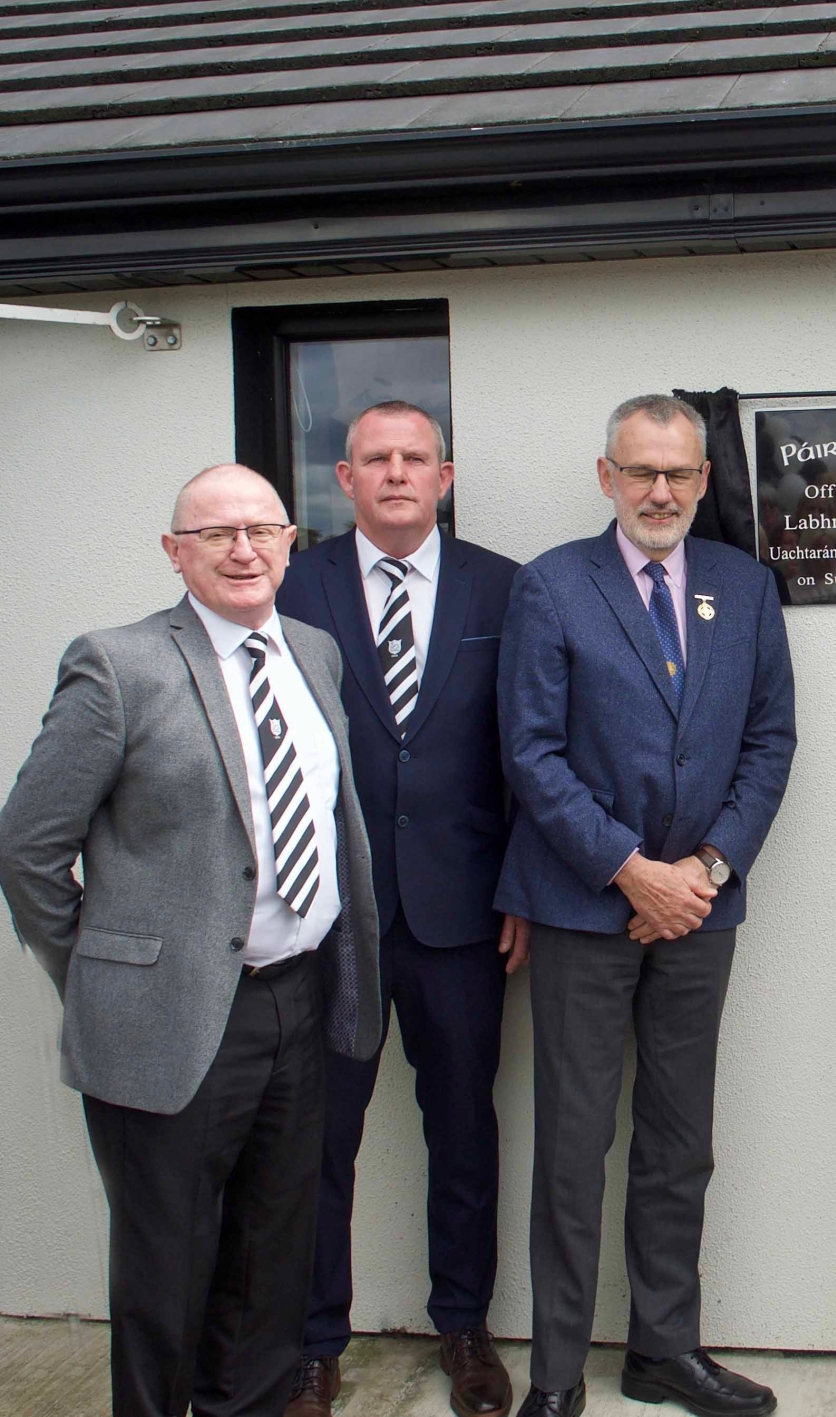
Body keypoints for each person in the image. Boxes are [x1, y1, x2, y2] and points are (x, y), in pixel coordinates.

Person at [0, 464, 382, 1417]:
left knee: (270, 1264)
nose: (243, 549)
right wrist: (104, 969)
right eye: (216, 533)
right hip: (171, 1020)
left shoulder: (315, 653)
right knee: (168, 1276)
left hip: (298, 1002)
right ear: (175, 551)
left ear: (293, 541)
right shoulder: (117, 664)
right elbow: (29, 847)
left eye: (262, 529)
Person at [496, 394, 797, 1417]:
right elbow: (530, 753)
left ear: (705, 480)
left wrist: (705, 870)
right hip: (588, 911)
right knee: (573, 1150)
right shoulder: (552, 586)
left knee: (680, 1139)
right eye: (640, 472)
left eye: (678, 474)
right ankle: (555, 1375)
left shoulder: (745, 586)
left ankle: (664, 1349)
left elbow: (770, 741)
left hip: (701, 912)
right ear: (606, 476)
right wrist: (632, 870)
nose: (660, 491)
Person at [276, 402, 526, 1417]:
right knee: (318, 1136)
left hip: (463, 913)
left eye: (413, 458)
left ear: (445, 476)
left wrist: (518, 884)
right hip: (328, 915)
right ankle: (313, 1341)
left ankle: (464, 1326)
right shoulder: (294, 583)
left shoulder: (502, 587)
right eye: (375, 459)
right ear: (344, 478)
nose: (395, 474)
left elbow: (527, 745)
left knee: (463, 1126)